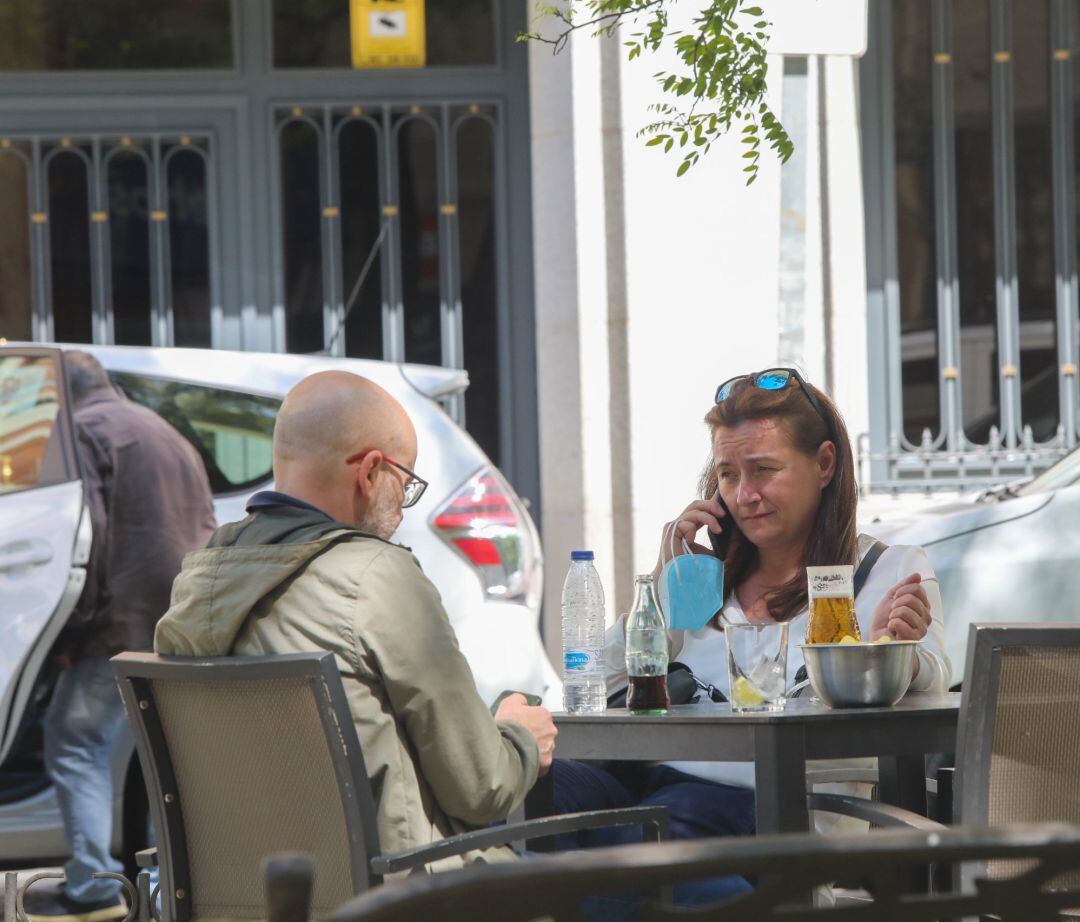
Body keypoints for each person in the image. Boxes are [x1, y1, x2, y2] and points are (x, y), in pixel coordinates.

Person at [153, 371, 557, 872]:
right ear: (369, 472)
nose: (403, 511)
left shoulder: (197, 584)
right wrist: (519, 737)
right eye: (404, 485)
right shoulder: (375, 576)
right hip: (405, 895)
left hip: (256, 895)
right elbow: (481, 787)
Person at [553, 367, 951, 849]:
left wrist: (899, 650)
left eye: (763, 470)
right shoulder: (704, 582)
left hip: (773, 812)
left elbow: (931, 678)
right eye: (728, 475)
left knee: (650, 842)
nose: (744, 496)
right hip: (653, 787)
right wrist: (661, 585)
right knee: (540, 791)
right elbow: (593, 680)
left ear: (824, 465)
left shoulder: (884, 572)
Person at [26, 352, 216, 922]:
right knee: (165, 760)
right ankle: (166, 889)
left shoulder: (85, 431)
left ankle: (90, 890)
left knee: (74, 742)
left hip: (119, 625)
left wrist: (71, 632)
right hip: (181, 622)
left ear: (61, 397)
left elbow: (85, 538)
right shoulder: (164, 431)